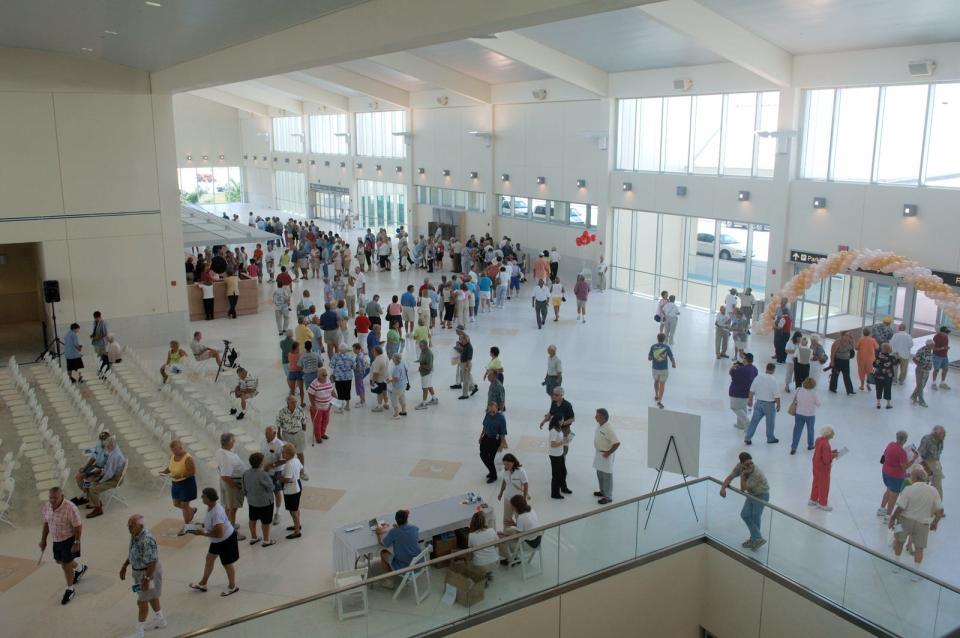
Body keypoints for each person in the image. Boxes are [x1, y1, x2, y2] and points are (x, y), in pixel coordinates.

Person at [889, 466, 944, 575]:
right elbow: (940, 510)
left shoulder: (908, 489)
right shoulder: (933, 491)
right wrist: (935, 522)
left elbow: (900, 508)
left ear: (914, 478)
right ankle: (916, 572)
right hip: (923, 524)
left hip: (905, 521)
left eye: (911, 475)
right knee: (919, 548)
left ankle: (896, 565)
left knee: (899, 541)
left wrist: (892, 518)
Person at [188, 487, 240, 596]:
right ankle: (203, 583)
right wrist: (198, 526)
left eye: (203, 496)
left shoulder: (216, 512)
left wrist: (202, 533)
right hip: (217, 541)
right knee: (209, 558)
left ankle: (232, 586)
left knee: (227, 564)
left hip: (225, 540)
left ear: (208, 498)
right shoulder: (211, 507)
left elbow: (219, 533)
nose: (201, 497)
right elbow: (210, 524)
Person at [40, 487, 87, 605]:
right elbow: (46, 523)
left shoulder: (70, 507)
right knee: (59, 560)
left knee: (66, 565)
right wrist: (43, 540)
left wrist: (77, 542)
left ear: (62, 496)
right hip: (56, 540)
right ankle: (79, 568)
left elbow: (78, 526)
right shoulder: (47, 506)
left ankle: (70, 589)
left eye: (55, 498)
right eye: (50, 497)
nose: (52, 500)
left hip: (68, 540)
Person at [120, 515, 165, 636]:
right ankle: (160, 619)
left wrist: (146, 579)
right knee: (151, 596)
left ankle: (139, 632)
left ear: (141, 526)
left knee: (142, 602)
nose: (129, 528)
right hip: (140, 572)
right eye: (128, 526)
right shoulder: (134, 535)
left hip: (148, 573)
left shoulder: (147, 540)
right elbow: (133, 552)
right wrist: (125, 565)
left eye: (131, 526)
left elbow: (152, 562)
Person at [719, 452, 770, 550]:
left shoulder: (757, 474)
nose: (750, 465)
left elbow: (743, 489)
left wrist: (742, 476)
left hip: (762, 495)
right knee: (745, 515)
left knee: (755, 516)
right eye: (747, 464)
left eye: (751, 463)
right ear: (742, 464)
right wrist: (723, 488)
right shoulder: (740, 466)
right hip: (752, 495)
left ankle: (755, 539)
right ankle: (757, 538)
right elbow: (730, 477)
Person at [158, 439, 197, 535]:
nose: (173, 452)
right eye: (172, 450)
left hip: (186, 483)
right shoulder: (173, 456)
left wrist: (180, 476)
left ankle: (187, 526)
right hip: (175, 483)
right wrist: (164, 472)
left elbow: (192, 472)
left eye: (175, 450)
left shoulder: (188, 458)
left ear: (180, 447)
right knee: (176, 504)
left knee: (184, 505)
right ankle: (191, 511)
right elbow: (170, 467)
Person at [82, 435, 125, 518]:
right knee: (86, 483)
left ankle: (98, 509)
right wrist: (101, 472)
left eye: (107, 446)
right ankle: (93, 502)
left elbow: (109, 474)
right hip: (111, 475)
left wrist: (99, 481)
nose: (106, 448)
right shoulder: (114, 450)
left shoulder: (115, 456)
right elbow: (108, 468)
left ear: (111, 446)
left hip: (115, 479)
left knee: (93, 488)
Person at [215, 433, 248, 541]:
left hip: (227, 483)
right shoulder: (226, 457)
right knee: (232, 508)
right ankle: (232, 532)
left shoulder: (221, 451)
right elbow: (225, 476)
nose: (234, 443)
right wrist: (236, 486)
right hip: (231, 483)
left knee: (228, 506)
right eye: (233, 441)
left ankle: (227, 525)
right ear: (229, 442)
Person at [879, 431, 918, 518]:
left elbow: (885, 455)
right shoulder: (902, 452)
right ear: (905, 440)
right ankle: (888, 516)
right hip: (896, 477)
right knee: (894, 496)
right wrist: (913, 459)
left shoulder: (890, 444)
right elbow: (904, 467)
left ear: (896, 437)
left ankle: (881, 509)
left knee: (888, 490)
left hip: (885, 472)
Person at [242, 453, 276, 547]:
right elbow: (271, 487)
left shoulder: (246, 473)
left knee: (252, 519)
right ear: (261, 463)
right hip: (265, 503)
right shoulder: (263, 474)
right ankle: (266, 540)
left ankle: (254, 537)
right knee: (265, 522)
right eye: (264, 460)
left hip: (252, 502)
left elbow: (244, 487)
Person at [377, 509, 421, 576]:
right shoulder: (415, 528)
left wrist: (378, 534)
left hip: (404, 567)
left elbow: (382, 543)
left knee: (383, 553)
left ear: (396, 520)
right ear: (407, 519)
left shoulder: (394, 532)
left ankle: (388, 581)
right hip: (418, 564)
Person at [745, 362, 781, 445]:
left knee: (753, 422)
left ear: (766, 368)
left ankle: (748, 438)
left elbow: (752, 390)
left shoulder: (758, 377)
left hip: (758, 403)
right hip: (769, 405)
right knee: (770, 423)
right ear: (773, 370)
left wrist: (750, 400)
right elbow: (777, 395)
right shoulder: (773, 380)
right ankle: (770, 438)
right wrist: (778, 405)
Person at [498, 495, 540, 563]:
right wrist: (514, 524)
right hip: (537, 540)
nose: (513, 509)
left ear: (517, 507)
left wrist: (504, 535)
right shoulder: (532, 511)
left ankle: (511, 559)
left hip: (528, 545)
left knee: (501, 541)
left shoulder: (521, 517)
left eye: (513, 507)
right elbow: (525, 528)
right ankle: (513, 557)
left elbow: (518, 537)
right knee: (508, 533)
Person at [593, 408, 620, 505]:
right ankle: (602, 491)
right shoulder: (600, 425)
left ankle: (608, 497)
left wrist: (608, 453)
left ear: (603, 417)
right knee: (600, 474)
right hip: (599, 454)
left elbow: (617, 443)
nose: (595, 417)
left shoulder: (609, 428)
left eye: (597, 415)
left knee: (607, 476)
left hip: (606, 455)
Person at [809, 426, 839, 511]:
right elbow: (826, 460)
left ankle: (813, 499)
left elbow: (820, 452)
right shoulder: (826, 444)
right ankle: (822, 503)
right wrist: (834, 455)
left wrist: (831, 452)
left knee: (816, 482)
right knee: (824, 485)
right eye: (832, 432)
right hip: (823, 469)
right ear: (829, 434)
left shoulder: (819, 440)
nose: (833, 434)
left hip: (816, 465)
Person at [73, 430, 110, 497]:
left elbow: (109, 466)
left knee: (87, 482)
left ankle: (90, 495)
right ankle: (87, 493)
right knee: (78, 476)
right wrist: (85, 468)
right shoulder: (98, 446)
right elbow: (93, 458)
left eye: (104, 440)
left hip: (103, 471)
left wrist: (101, 471)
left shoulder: (110, 451)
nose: (102, 442)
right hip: (95, 467)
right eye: (101, 440)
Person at [277, 443, 303, 539]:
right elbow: (302, 470)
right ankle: (297, 525)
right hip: (297, 485)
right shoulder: (296, 459)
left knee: (293, 511)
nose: (282, 454)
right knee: (296, 508)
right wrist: (296, 475)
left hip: (291, 489)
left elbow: (287, 479)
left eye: (283, 452)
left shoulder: (289, 464)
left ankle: (297, 532)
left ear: (288, 454)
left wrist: (279, 478)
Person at [479, 401, 508, 484]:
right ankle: (491, 471)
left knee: (492, 459)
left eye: (493, 411)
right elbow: (485, 426)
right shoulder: (487, 414)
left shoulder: (501, 418)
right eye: (490, 411)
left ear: (497, 409)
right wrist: (481, 436)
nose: (491, 413)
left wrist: (501, 444)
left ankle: (493, 475)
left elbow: (503, 432)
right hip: (486, 437)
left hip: (495, 440)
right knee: (482, 454)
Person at [789, 377, 820, 454]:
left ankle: (794, 447)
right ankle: (810, 445)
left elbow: (792, 398)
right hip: (810, 415)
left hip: (799, 413)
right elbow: (819, 404)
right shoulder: (813, 393)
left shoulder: (799, 390)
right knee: (810, 430)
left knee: (797, 430)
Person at [466, 511, 499, 580]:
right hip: (495, 562)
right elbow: (497, 545)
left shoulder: (471, 535)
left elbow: (470, 553)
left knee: (472, 562)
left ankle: (483, 578)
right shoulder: (491, 530)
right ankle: (489, 573)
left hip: (480, 565)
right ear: (484, 521)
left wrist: (468, 563)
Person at [729, 353, 758, 431]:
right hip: (747, 393)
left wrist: (733, 367)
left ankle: (747, 424)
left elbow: (731, 373)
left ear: (745, 359)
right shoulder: (754, 369)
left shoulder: (741, 370)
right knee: (742, 408)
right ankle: (740, 424)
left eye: (744, 358)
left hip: (737, 393)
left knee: (735, 407)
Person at [498, 453, 529, 522]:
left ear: (513, 462)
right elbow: (504, 481)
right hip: (507, 498)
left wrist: (524, 498)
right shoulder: (505, 470)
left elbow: (526, 485)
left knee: (519, 519)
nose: (506, 466)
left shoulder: (521, 471)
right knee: (506, 519)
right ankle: (506, 531)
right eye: (505, 464)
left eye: (508, 464)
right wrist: (501, 493)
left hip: (518, 500)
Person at [648, 333, 676, 409]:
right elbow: (671, 356)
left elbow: (649, 358)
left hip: (655, 368)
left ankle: (656, 395)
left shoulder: (653, 347)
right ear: (664, 339)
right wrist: (674, 364)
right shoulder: (666, 347)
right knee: (662, 384)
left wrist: (655, 356)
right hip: (664, 369)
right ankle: (659, 401)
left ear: (657, 338)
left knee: (656, 381)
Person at [917, 425, 946, 499]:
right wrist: (924, 468)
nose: (944, 435)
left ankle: (937, 506)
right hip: (926, 463)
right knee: (923, 485)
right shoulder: (926, 439)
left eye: (944, 433)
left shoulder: (941, 441)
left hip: (935, 464)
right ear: (935, 433)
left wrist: (939, 465)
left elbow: (937, 454)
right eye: (942, 433)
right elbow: (920, 454)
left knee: (938, 486)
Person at [546, 411, 570, 500]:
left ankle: (563, 488)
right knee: (556, 475)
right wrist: (562, 442)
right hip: (555, 456)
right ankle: (555, 493)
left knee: (563, 472)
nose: (563, 421)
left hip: (560, 454)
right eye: (562, 419)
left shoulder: (559, 428)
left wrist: (565, 439)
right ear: (558, 421)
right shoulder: (553, 431)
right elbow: (553, 444)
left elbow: (559, 440)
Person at [828, 331, 856, 395]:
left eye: (849, 335)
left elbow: (853, 347)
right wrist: (832, 362)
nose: (848, 337)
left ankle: (850, 390)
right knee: (835, 375)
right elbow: (832, 353)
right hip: (838, 360)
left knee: (847, 376)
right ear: (842, 335)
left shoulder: (849, 341)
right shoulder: (837, 342)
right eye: (846, 335)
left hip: (846, 361)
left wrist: (852, 339)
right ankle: (832, 388)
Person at [871, 343, 898, 409]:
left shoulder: (878, 356)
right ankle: (888, 404)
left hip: (879, 375)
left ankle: (878, 403)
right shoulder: (891, 357)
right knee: (888, 389)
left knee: (878, 389)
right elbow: (896, 363)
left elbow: (874, 364)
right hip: (888, 376)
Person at [452, 329, 477, 400]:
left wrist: (466, 367)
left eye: (462, 340)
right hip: (463, 364)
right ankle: (473, 387)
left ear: (466, 340)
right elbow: (462, 351)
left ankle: (465, 395)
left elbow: (469, 359)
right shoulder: (466, 345)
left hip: (466, 364)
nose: (461, 341)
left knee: (465, 381)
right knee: (465, 378)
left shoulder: (469, 347)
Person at [910, 340, 935, 407]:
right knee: (920, 386)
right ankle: (921, 401)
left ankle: (913, 396)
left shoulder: (930, 351)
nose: (933, 346)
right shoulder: (922, 350)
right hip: (920, 370)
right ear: (928, 345)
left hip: (927, 370)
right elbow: (914, 359)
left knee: (922, 385)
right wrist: (920, 367)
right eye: (932, 345)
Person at [415, 339, 436, 410]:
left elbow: (429, 367)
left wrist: (421, 366)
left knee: (425, 388)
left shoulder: (429, 354)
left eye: (421, 346)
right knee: (429, 385)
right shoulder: (423, 351)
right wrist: (418, 361)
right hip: (424, 372)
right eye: (419, 346)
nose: (420, 347)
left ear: (426, 346)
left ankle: (424, 404)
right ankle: (434, 399)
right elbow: (422, 360)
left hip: (426, 373)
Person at [387, 353, 408, 418]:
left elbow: (397, 378)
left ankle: (396, 414)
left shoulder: (397, 368)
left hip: (398, 386)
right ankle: (403, 411)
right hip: (403, 384)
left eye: (393, 358)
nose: (392, 359)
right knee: (402, 397)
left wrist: (389, 380)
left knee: (394, 399)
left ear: (395, 359)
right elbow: (406, 370)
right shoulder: (402, 363)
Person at [931, 325, 951, 390]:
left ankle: (942, 383)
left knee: (946, 369)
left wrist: (946, 348)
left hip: (944, 356)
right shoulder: (936, 337)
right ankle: (933, 383)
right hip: (937, 356)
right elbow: (933, 349)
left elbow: (946, 346)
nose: (947, 334)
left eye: (947, 332)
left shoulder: (946, 337)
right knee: (936, 370)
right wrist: (943, 348)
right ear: (941, 332)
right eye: (946, 332)